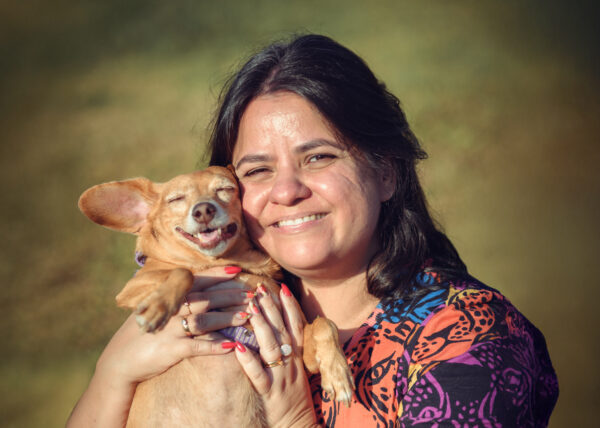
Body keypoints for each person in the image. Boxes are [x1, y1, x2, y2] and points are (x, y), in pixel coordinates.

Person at [67, 34, 558, 427]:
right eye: (257, 170)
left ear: (386, 172)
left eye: (318, 157)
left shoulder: (468, 340)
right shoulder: (223, 307)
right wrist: (114, 374)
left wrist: (295, 419)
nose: (286, 191)